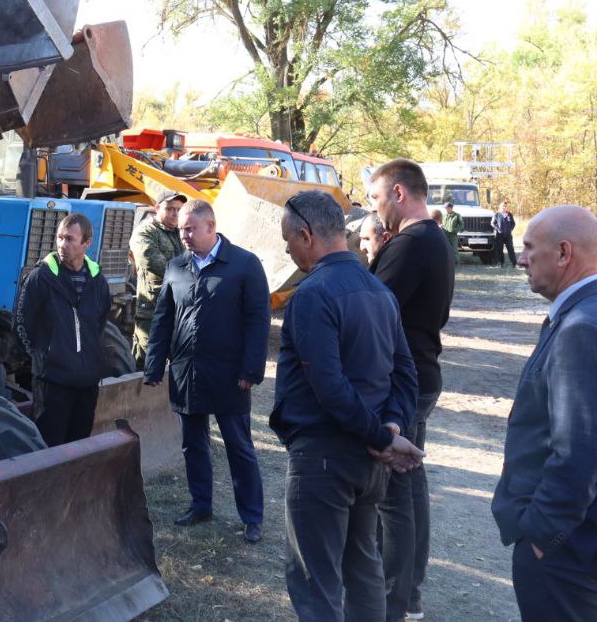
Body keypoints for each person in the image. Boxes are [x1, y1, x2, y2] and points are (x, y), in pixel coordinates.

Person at [270, 189, 423, 621]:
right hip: (367, 460)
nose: (285, 249)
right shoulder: (377, 289)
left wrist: (383, 436)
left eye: (288, 239)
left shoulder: (312, 294)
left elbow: (330, 386)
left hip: (324, 457)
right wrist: (389, 431)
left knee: (316, 581)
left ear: (307, 235)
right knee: (362, 568)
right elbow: (404, 374)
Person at [492, 205, 597, 621]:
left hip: (568, 550)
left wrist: (543, 535)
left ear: (564, 253)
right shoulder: (580, 315)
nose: (520, 258)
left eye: (529, 248)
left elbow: (579, 449)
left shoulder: (581, 328)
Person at [143, 198, 270, 543]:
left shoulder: (244, 264)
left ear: (211, 227)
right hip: (187, 371)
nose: (183, 234)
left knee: (238, 445)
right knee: (192, 443)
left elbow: (258, 321)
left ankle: (252, 516)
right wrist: (154, 365)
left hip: (231, 374)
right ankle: (201, 504)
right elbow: (163, 319)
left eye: (190, 228)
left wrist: (251, 370)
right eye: (181, 229)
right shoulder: (176, 266)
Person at [367, 159, 455, 621]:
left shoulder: (409, 244)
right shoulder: (434, 239)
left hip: (405, 383)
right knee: (411, 482)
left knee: (394, 494)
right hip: (421, 375)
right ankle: (410, 595)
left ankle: (395, 601)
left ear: (399, 193)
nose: (375, 208)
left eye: (377, 197)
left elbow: (368, 309)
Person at [15, 212, 111, 447]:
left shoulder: (98, 281)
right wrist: (45, 358)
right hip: (52, 382)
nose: (62, 244)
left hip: (87, 383)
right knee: (49, 449)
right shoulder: (40, 278)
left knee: (78, 448)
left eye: (69, 239)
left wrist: (87, 358)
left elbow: (99, 322)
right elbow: (21, 323)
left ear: (87, 243)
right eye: (59, 238)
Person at [130, 191, 186, 366]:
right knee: (148, 359)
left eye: (178, 209)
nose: (175, 214)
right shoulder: (145, 233)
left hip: (178, 307)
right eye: (170, 209)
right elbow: (155, 263)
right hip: (152, 309)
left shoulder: (181, 232)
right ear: (157, 208)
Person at [493, 200, 518, 268]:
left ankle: (514, 263)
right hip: (499, 235)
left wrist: (510, 229)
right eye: (503, 206)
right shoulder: (497, 214)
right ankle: (501, 263)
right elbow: (492, 223)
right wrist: (498, 229)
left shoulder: (509, 214)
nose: (504, 207)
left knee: (510, 249)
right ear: (500, 207)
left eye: (505, 206)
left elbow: (513, 223)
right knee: (500, 249)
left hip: (508, 235)